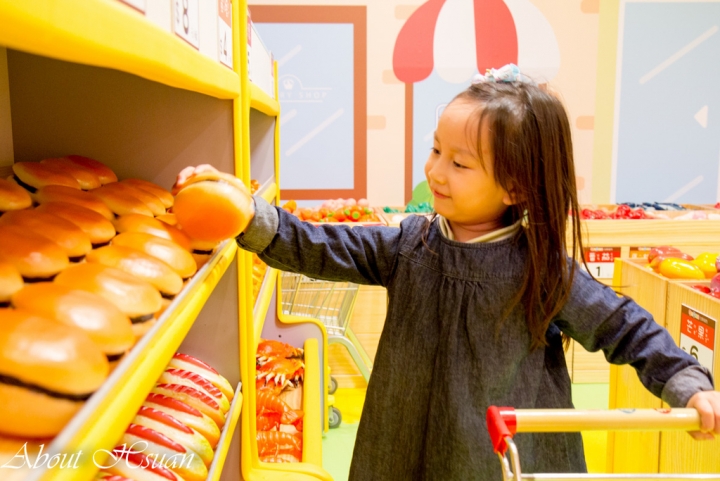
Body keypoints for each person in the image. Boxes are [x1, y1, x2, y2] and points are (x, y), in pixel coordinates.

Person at [175, 64, 720, 480]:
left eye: (459, 164)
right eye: (436, 150)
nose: (435, 171)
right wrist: (245, 212)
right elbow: (319, 245)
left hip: (499, 456)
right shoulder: (410, 245)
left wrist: (688, 383)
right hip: (404, 444)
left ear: (518, 187)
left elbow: (623, 326)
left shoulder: (541, 270)